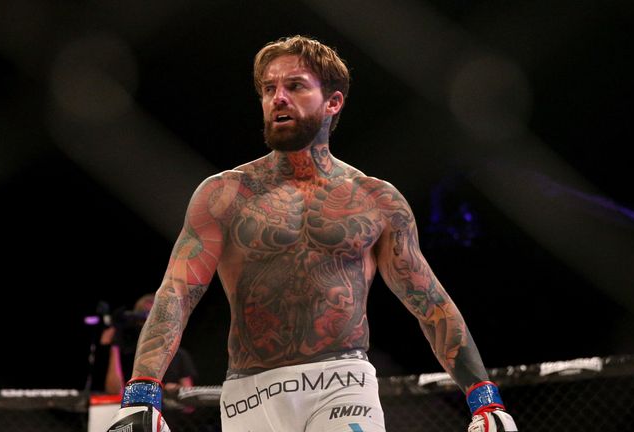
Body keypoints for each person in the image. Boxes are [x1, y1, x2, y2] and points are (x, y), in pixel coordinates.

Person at [107, 35, 518, 432]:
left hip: (343, 382)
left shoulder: (375, 200)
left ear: (333, 102)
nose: (278, 98)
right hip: (250, 393)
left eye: (295, 86)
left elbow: (429, 302)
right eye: (269, 88)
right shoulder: (224, 195)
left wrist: (485, 399)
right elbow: (178, 292)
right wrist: (142, 391)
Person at [102, 294, 197, 411]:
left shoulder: (178, 355)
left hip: (169, 422)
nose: (150, 323)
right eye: (144, 316)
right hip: (134, 419)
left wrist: (173, 391)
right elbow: (114, 392)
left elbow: (189, 406)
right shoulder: (127, 352)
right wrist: (115, 344)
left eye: (154, 316)